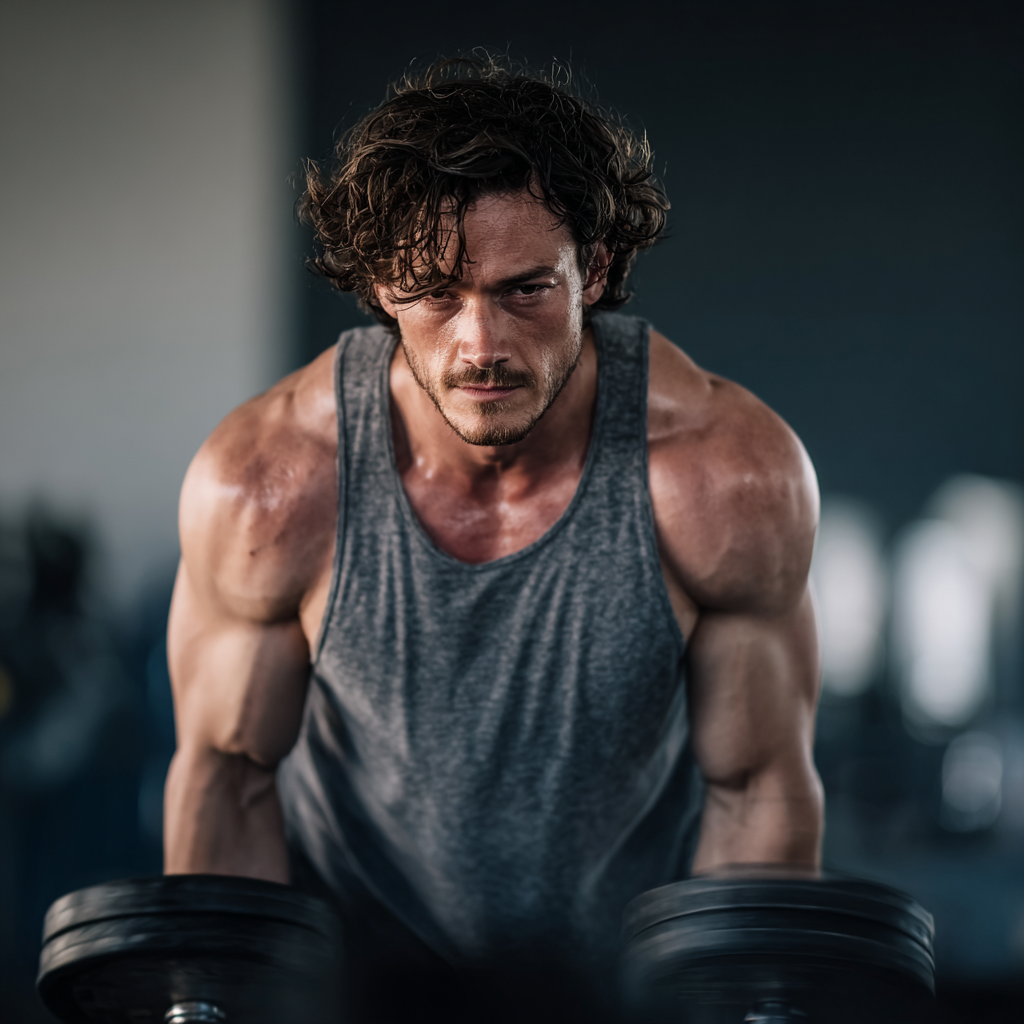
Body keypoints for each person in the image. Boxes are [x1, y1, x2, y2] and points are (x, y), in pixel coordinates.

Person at [164, 57, 823, 1021]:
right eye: (436, 293)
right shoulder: (269, 486)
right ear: (384, 284)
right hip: (351, 990)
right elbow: (227, 781)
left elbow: (759, 786)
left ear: (592, 271)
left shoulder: (726, 477)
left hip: (625, 993)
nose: (480, 345)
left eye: (525, 292)